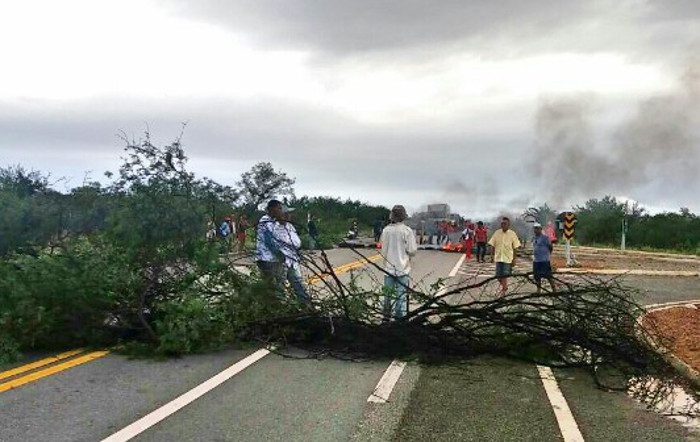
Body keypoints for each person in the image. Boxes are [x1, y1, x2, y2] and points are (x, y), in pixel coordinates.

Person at [379, 205, 418, 320]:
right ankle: (399, 319)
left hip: (388, 269)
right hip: (402, 269)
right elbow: (412, 251)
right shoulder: (407, 231)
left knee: (387, 295)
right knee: (401, 296)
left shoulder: (386, 230)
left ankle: (386, 317)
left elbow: (383, 248)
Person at [276, 207, 310, 306]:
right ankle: (280, 308)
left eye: (289, 214)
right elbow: (280, 244)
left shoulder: (290, 226)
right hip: (282, 261)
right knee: (280, 286)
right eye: (285, 214)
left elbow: (297, 242)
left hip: (293, 260)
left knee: (298, 283)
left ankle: (306, 305)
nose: (288, 216)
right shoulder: (275, 227)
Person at [255, 200, 286, 298]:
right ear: (273, 209)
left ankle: (270, 305)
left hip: (267, 258)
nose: (281, 211)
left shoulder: (271, 221)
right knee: (278, 283)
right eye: (279, 208)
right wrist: (280, 254)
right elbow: (269, 241)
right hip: (268, 259)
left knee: (269, 285)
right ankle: (279, 304)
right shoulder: (266, 221)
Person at [488, 217, 522, 295]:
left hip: (507, 258)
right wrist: (491, 256)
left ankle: (503, 291)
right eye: (502, 224)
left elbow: (515, 247)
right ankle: (505, 287)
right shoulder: (497, 233)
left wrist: (514, 259)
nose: (503, 225)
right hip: (499, 258)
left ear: (508, 224)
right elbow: (492, 245)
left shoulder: (512, 234)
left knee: (504, 275)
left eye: (505, 223)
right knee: (498, 276)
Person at [532, 222, 557, 293]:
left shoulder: (545, 238)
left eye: (537, 228)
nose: (535, 230)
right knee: (537, 276)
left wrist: (547, 254)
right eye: (534, 228)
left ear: (540, 229)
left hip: (544, 260)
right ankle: (538, 290)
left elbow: (550, 247)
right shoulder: (534, 238)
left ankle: (554, 290)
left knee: (548, 276)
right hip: (536, 260)